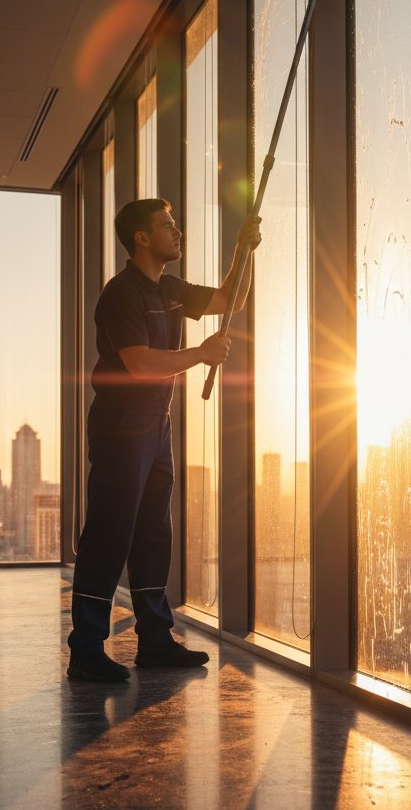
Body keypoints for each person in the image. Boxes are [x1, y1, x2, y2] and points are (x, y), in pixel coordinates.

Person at [67, 197, 261, 682]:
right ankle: (86, 649)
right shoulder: (121, 295)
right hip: (121, 426)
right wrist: (200, 352)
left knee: (154, 532)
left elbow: (230, 300)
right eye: (167, 226)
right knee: (111, 532)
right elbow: (140, 364)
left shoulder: (170, 288)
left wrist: (245, 250)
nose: (177, 233)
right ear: (142, 238)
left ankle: (155, 640)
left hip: (157, 424)